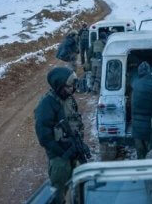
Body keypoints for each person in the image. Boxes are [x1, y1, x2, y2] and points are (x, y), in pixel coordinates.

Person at [34, 67, 88, 204]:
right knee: (58, 196)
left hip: (73, 153)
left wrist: (80, 145)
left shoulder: (69, 99)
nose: (72, 89)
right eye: (69, 86)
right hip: (59, 160)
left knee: (81, 189)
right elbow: (44, 137)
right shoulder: (47, 104)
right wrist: (63, 152)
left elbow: (75, 123)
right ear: (59, 86)